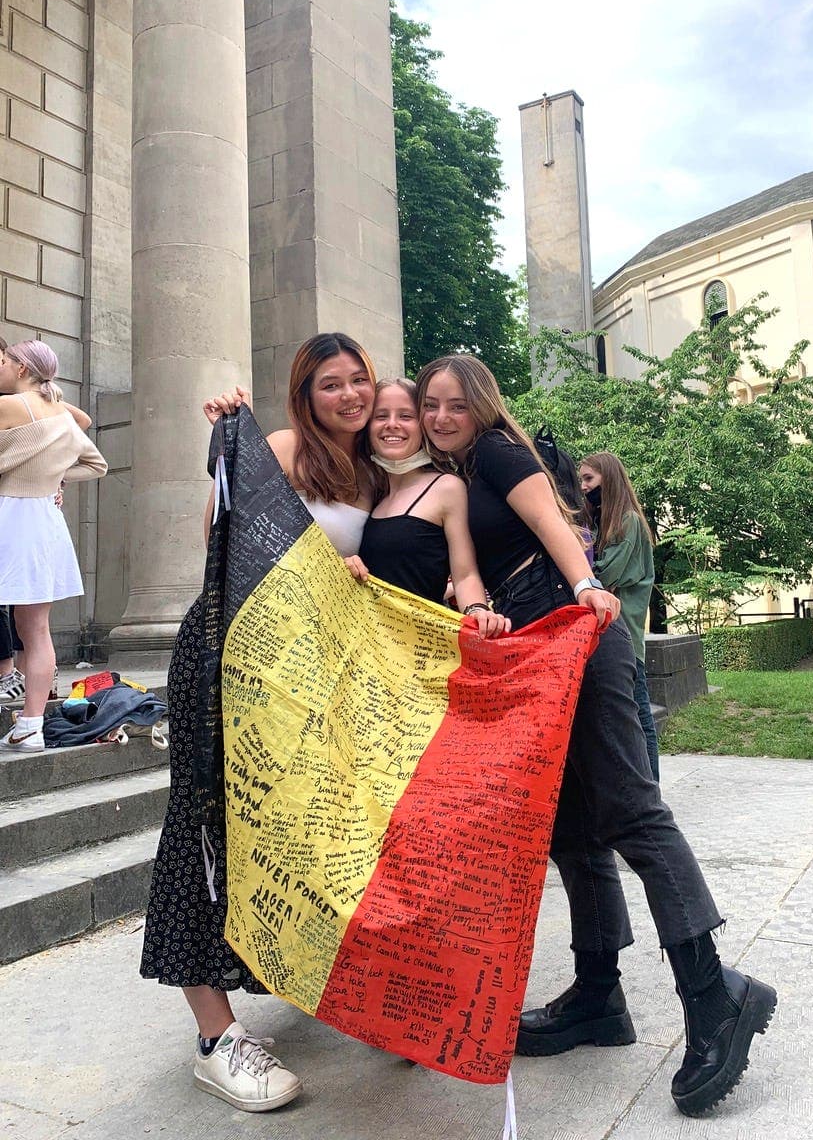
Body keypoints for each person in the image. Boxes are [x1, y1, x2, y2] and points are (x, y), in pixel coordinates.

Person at [142, 339, 506, 1114]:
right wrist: (229, 440)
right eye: (328, 384)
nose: (347, 396)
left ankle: (339, 986)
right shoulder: (277, 448)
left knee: (316, 833)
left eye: (358, 382)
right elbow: (222, 541)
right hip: (229, 658)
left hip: (311, 678)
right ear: (303, 395)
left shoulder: (375, 475)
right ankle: (216, 1038)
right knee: (207, 829)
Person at [415, 354, 776, 1118]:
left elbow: (555, 528)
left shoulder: (503, 454)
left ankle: (714, 995)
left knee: (631, 814)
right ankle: (599, 996)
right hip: (541, 653)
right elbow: (479, 565)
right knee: (575, 831)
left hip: (583, 633)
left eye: (453, 404)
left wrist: (587, 588)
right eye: (429, 406)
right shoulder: (461, 477)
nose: (440, 416)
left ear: (480, 405)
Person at [0, 341, 107, 753]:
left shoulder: (13, 406)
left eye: (6, 362)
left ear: (23, 368)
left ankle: (28, 724)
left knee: (27, 627)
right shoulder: (60, 415)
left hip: (11, 516)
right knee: (36, 629)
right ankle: (31, 725)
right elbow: (97, 463)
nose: (2, 367)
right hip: (45, 519)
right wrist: (58, 477)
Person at [344, 378, 509, 639]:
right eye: (381, 415)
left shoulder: (446, 487)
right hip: (367, 650)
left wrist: (477, 611)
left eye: (406, 415)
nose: (392, 424)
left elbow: (464, 574)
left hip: (422, 650)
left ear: (422, 425)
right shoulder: (368, 491)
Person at [579, 452, 659, 780]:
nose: (583, 487)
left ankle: (651, 788)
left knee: (640, 718)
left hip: (626, 636)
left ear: (607, 480)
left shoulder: (628, 522)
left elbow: (605, 573)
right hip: (613, 633)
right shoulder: (602, 524)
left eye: (589, 479)